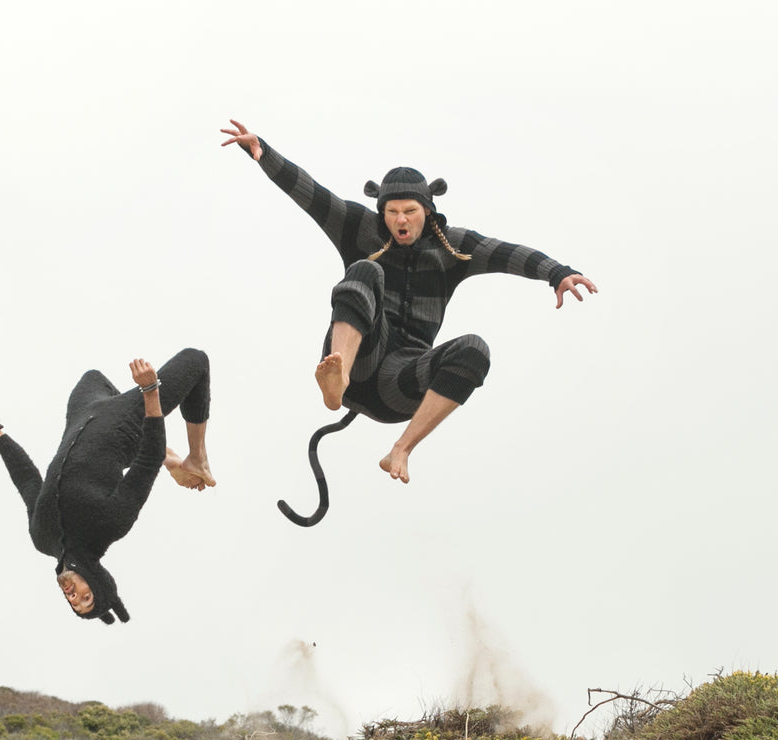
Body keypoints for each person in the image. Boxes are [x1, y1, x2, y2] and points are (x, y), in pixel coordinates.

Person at [220, 119, 597, 487]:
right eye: (392, 212)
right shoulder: (360, 227)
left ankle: (401, 449)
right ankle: (338, 379)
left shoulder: (454, 247)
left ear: (427, 211)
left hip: (399, 384)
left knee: (475, 349)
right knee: (366, 270)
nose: (400, 220)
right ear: (381, 212)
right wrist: (262, 151)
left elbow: (507, 253)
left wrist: (556, 273)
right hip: (360, 361)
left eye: (410, 212)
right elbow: (313, 195)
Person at [0, 348, 214, 624]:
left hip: (83, 411)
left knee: (92, 377)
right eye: (87, 598)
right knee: (195, 361)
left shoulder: (42, 537)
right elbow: (148, 459)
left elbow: (27, 480)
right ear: (97, 582)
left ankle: (168, 456)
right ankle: (197, 459)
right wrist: (149, 390)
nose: (74, 597)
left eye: (74, 604)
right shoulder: (108, 526)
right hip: (128, 420)